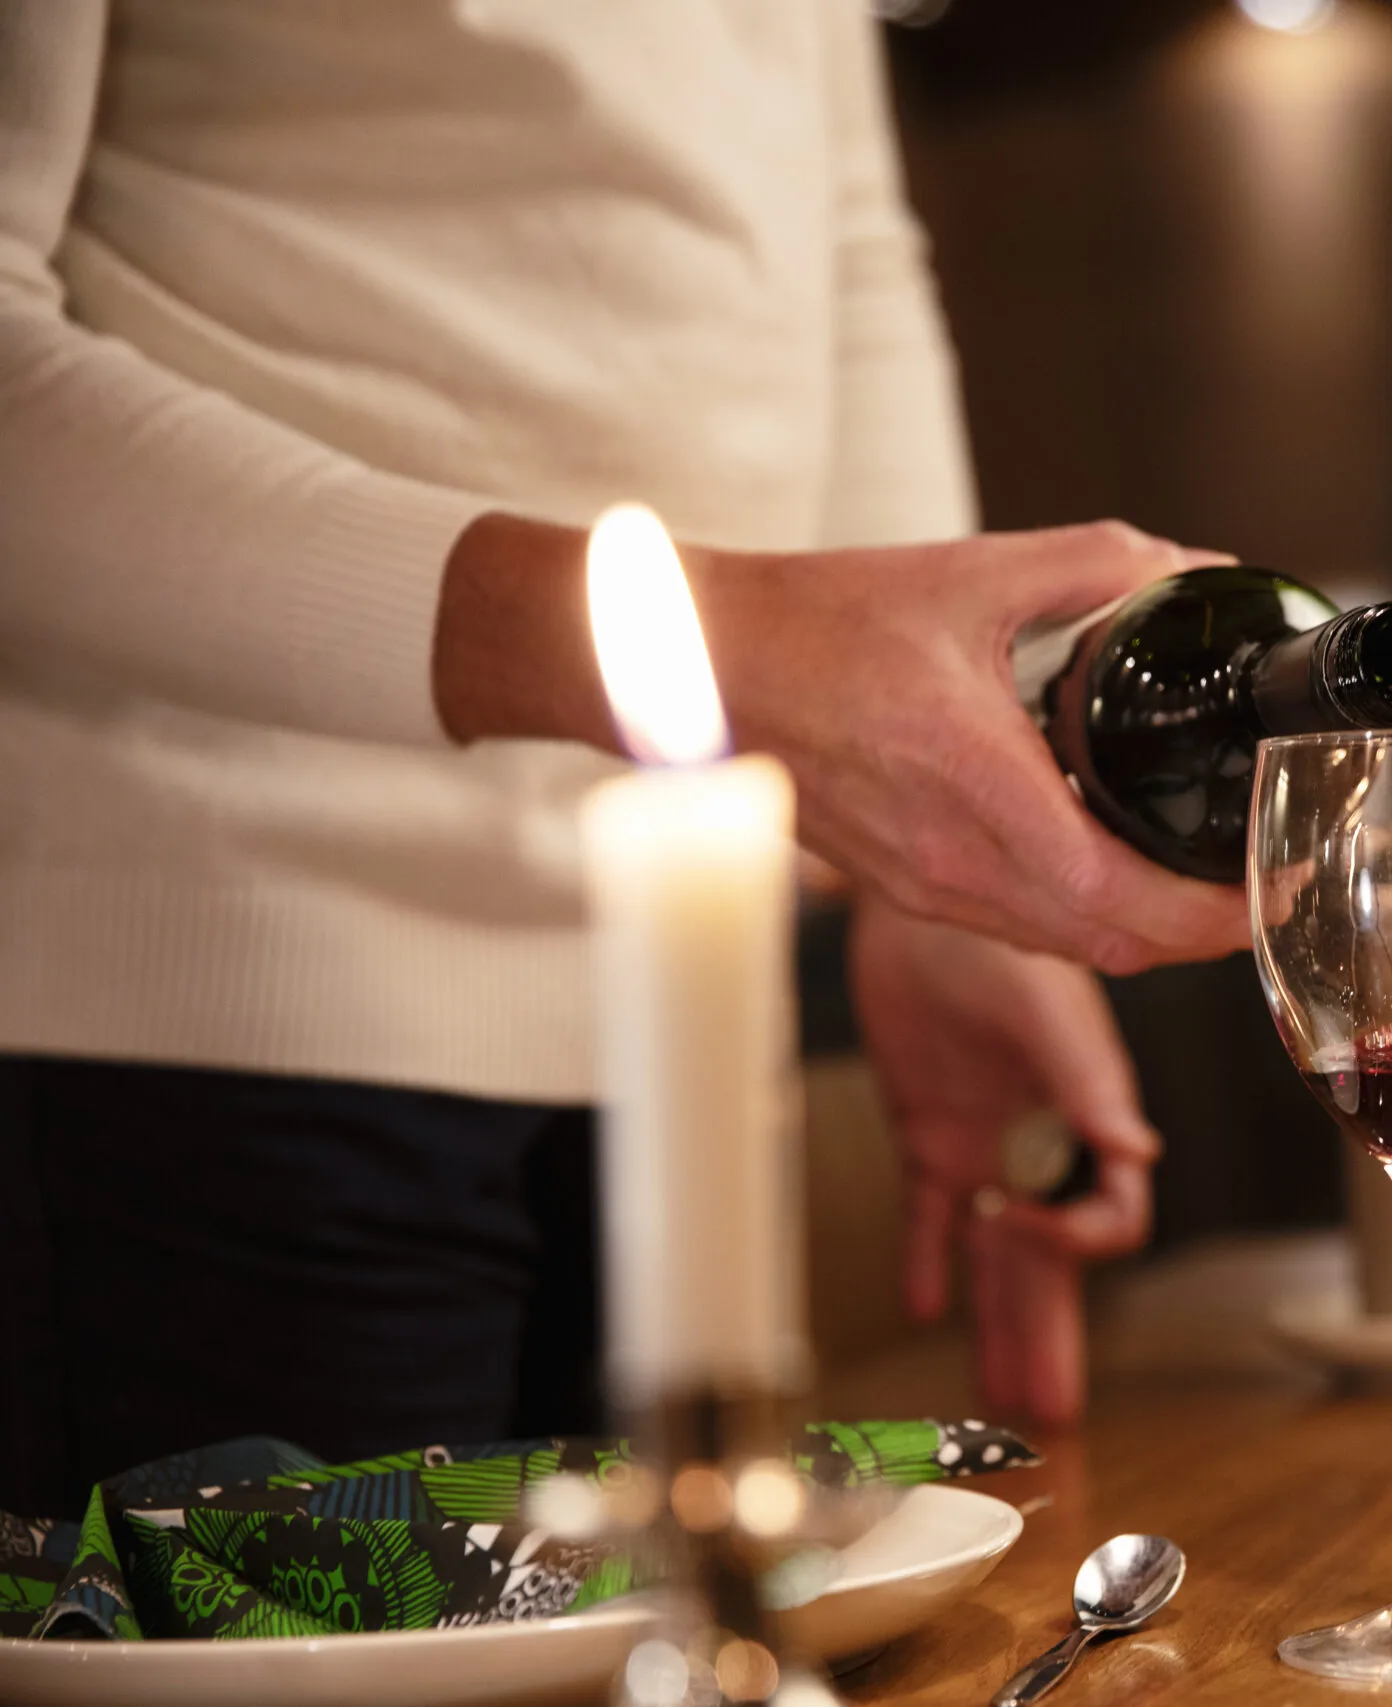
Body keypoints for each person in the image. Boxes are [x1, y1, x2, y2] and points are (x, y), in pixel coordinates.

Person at [0, 3, 1242, 1519]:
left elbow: (838, 240)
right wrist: (737, 656)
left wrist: (937, 893)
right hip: (212, 1018)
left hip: (691, 1035)